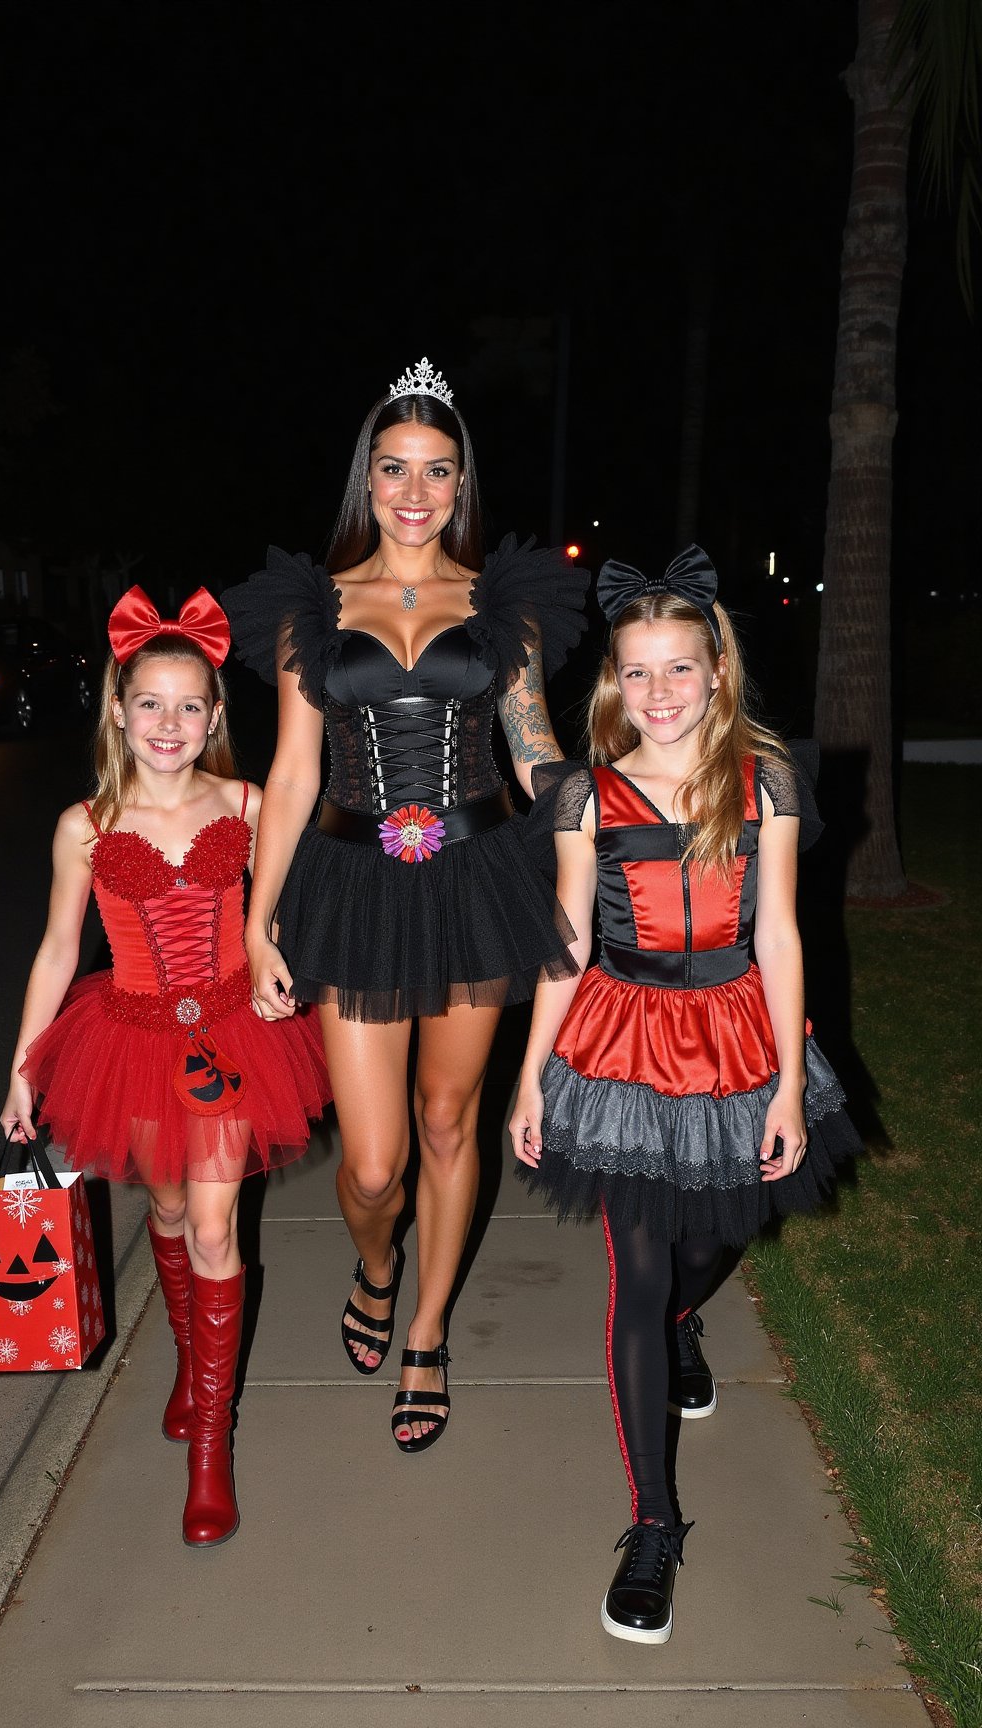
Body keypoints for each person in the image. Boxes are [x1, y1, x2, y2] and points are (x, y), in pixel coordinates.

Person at [222, 357, 588, 1453]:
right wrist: (256, 918)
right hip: (354, 888)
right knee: (371, 1163)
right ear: (366, 479)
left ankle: (424, 1328)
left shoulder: (506, 605)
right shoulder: (314, 608)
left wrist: (623, 820)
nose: (416, 491)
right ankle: (377, 1266)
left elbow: (536, 758)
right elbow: (292, 776)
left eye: (438, 469)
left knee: (446, 1120)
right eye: (395, 469)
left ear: (463, 480)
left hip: (477, 883)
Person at [509, 548, 860, 1644]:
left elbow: (783, 931)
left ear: (718, 670)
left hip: (740, 1033)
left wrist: (792, 1083)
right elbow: (564, 945)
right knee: (640, 1269)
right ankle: (653, 1523)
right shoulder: (584, 791)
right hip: (620, 1040)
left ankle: (683, 1322)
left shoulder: (766, 780)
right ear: (615, 681)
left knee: (718, 1233)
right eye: (638, 674)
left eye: (680, 670)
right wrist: (531, 1079)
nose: (659, 694)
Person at [0, 586, 330, 1546]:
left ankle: (210, 1451)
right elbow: (59, 952)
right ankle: (193, 1365)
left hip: (234, 1037)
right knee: (173, 1214)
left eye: (192, 705)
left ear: (217, 715)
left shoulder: (252, 803)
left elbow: (292, 914)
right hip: (133, 1038)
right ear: (118, 707)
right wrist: (23, 1066)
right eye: (151, 703)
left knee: (217, 1224)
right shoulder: (85, 825)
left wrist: (279, 964)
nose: (170, 723)